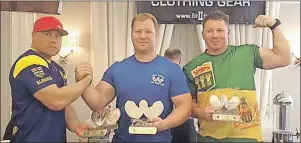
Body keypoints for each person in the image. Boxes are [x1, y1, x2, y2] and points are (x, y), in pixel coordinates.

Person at [77, 13, 192, 142]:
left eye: (148, 31)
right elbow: (96, 102)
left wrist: (164, 124)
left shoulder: (172, 70)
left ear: (156, 35)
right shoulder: (117, 69)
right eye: (138, 31)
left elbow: (185, 107)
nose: (143, 36)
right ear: (131, 35)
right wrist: (82, 81)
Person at [183, 11, 291, 142]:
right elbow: (188, 104)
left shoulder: (248, 53)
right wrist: (200, 113)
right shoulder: (191, 67)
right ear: (203, 35)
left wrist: (274, 25)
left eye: (220, 30)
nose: (215, 35)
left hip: (248, 138)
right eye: (210, 31)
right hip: (208, 138)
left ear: (228, 33)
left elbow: (284, 58)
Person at [3, 16, 93, 142]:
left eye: (58, 36)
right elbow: (56, 100)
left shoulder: (57, 69)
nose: (54, 40)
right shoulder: (28, 62)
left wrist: (76, 125)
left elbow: (65, 104)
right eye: (47, 34)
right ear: (34, 36)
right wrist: (86, 80)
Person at [163, 48, 197, 143]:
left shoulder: (158, 76)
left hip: (167, 119)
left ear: (164, 58)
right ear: (180, 59)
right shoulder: (187, 75)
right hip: (185, 119)